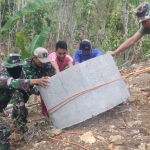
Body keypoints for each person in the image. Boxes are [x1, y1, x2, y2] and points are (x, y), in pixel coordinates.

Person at [0, 54, 49, 150]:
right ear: (8, 67)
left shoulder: (19, 73)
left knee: (20, 95)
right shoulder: (2, 76)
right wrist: (35, 81)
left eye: (19, 66)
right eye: (15, 67)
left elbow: (29, 87)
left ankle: (18, 120)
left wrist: (42, 89)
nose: (17, 69)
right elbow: (13, 83)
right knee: (3, 129)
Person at [22, 47, 55, 118]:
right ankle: (16, 118)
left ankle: (50, 113)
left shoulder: (46, 62)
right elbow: (30, 82)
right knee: (20, 102)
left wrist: (50, 81)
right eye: (41, 61)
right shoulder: (26, 64)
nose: (43, 63)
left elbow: (52, 75)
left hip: (41, 82)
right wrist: (41, 83)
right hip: (26, 85)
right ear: (34, 58)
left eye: (44, 61)